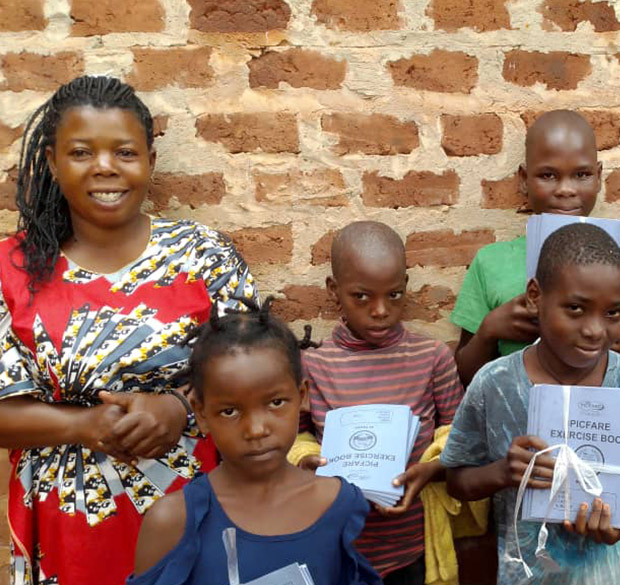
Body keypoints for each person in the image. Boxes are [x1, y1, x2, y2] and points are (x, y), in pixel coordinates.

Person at [0, 76, 256, 585]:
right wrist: (87, 427)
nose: (104, 167)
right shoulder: (13, 268)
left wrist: (180, 406)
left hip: (199, 505)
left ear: (150, 162)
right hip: (70, 527)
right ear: (51, 162)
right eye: (80, 152)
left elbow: (256, 373)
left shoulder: (205, 255)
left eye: (124, 151)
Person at [440, 223, 620, 585]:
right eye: (575, 308)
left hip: (615, 574)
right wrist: (504, 472)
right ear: (534, 296)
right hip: (527, 575)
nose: (594, 330)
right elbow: (456, 480)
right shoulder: (494, 384)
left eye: (613, 313)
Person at [128, 300, 382, 585]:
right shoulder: (173, 521)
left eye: (275, 402)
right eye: (230, 411)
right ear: (201, 414)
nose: (256, 429)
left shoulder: (339, 503)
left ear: (302, 396)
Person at [289, 221, 464, 585]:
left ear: (406, 286)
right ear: (334, 290)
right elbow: (296, 437)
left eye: (394, 295)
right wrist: (306, 461)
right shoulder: (314, 364)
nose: (381, 310)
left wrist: (432, 468)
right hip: (340, 545)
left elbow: (458, 436)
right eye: (362, 296)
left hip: (413, 544)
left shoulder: (431, 357)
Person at [450, 110, 620, 384]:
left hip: (598, 419)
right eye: (548, 176)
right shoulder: (491, 263)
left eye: (582, 174)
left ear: (598, 177)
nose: (565, 190)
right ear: (524, 179)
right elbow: (465, 376)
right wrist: (490, 330)